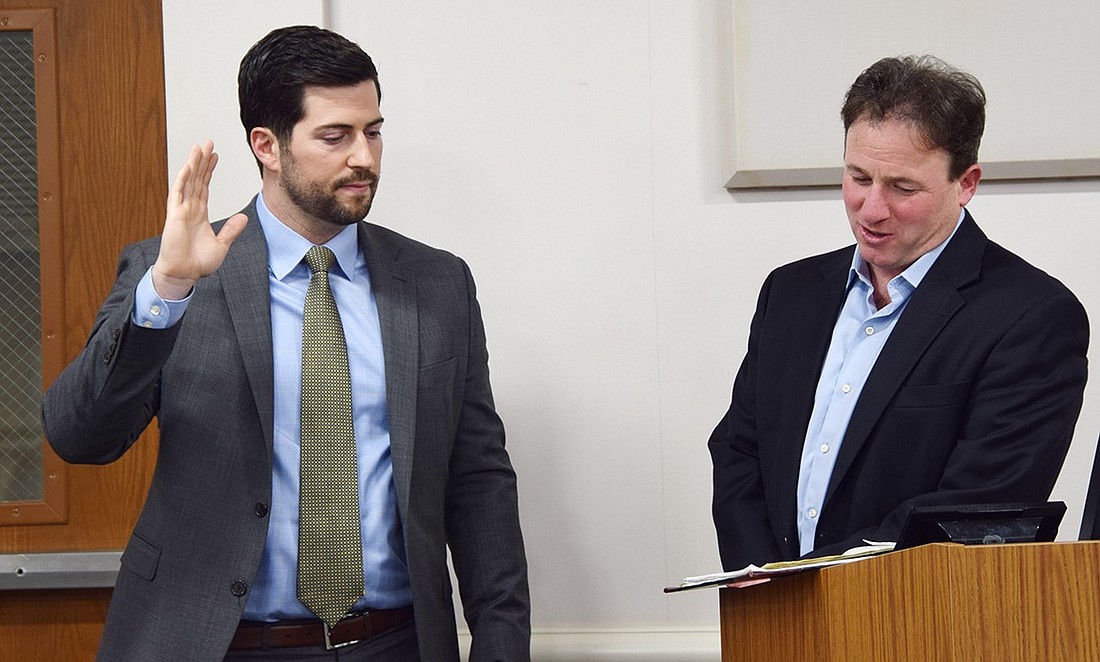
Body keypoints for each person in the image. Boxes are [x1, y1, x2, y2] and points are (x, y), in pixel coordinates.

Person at [42, 25, 530, 661]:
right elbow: (80, 437)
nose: (366, 158)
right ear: (266, 146)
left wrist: (500, 645)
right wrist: (166, 291)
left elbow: (479, 481)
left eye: (373, 131)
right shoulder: (173, 275)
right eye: (335, 136)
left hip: (395, 643)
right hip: (218, 645)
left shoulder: (438, 284)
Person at [709, 55, 1089, 572]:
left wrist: (810, 579)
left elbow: (975, 505)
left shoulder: (1032, 316)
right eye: (858, 176)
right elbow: (739, 449)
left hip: (920, 624)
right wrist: (761, 576)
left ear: (967, 182)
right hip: (772, 615)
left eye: (903, 188)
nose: (871, 208)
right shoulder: (791, 292)